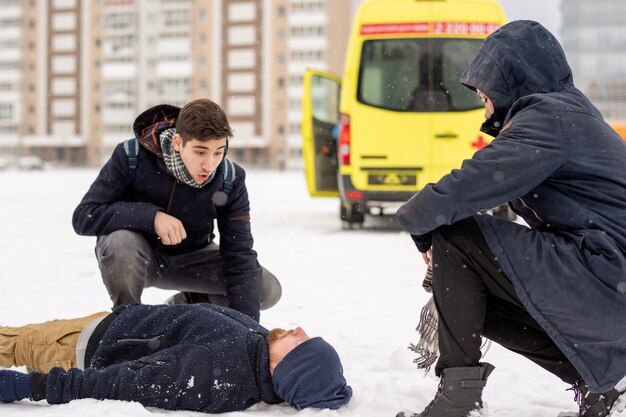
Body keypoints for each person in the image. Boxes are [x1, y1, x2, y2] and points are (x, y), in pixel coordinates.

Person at [394, 20, 626, 417]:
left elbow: (467, 186)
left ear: (511, 84)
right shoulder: (568, 113)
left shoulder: (548, 117)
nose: (485, 108)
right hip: (607, 280)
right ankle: (604, 382)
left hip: (603, 268)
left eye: (486, 97)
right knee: (478, 299)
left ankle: (458, 401)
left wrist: (416, 223)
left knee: (454, 235)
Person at [72, 99, 281, 322]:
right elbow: (85, 215)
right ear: (178, 142)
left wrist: (248, 333)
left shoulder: (230, 178)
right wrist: (151, 217)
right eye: (200, 152)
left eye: (218, 152)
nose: (210, 165)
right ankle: (129, 323)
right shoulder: (130, 156)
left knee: (265, 290)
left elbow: (239, 255)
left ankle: (183, 306)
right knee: (120, 244)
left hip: (192, 261)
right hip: (138, 258)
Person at [0, 303, 352, 412]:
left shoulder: (218, 370)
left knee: (13, 343)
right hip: (112, 323)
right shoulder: (259, 345)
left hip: (81, 345)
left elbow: (124, 382)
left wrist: (28, 385)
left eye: (300, 341)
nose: (298, 328)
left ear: (285, 369)